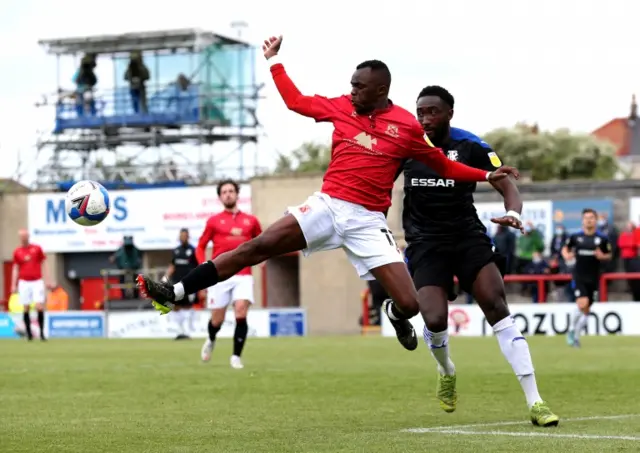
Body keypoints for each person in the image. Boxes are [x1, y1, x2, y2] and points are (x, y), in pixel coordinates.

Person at [136, 35, 518, 356]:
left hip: (368, 221)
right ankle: (175, 291)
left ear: (380, 90)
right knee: (259, 245)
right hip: (328, 206)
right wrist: (274, 62)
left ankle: (396, 315)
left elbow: (444, 165)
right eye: (350, 84)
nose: (350, 91)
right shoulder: (341, 107)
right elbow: (295, 101)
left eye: (358, 86)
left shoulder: (405, 126)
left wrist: (486, 174)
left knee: (410, 303)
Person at [399, 85, 558, 426]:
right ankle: (446, 371)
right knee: (435, 320)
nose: (425, 118)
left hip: (467, 238)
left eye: (433, 112)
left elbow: (505, 182)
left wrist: (514, 212)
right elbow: (379, 183)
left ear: (449, 114)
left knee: (497, 307)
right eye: (421, 112)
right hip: (426, 244)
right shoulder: (406, 147)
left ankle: (536, 401)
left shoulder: (469, 144)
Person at [196, 180, 262, 369]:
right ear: (220, 197)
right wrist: (204, 266)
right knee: (218, 319)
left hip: (243, 273)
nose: (228, 194)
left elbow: (261, 241)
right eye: (224, 192)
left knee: (241, 310)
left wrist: (260, 258)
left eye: (231, 191)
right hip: (219, 274)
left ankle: (236, 357)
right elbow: (200, 246)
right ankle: (211, 338)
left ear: (237, 194)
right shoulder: (213, 221)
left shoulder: (251, 221)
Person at [563, 209, 612, 347]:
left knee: (586, 310)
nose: (589, 220)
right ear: (582, 220)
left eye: (591, 218)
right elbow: (565, 249)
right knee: (582, 303)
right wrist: (566, 255)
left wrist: (602, 256)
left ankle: (576, 336)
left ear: (595, 220)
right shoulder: (576, 237)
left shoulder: (602, 239)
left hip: (594, 277)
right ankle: (571, 330)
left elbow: (609, 254)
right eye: (586, 218)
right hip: (579, 276)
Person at [11, 229, 53, 341]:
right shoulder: (17, 251)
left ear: (28, 236)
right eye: (21, 236)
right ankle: (29, 334)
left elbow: (44, 263)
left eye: (25, 236)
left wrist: (48, 279)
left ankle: (42, 334)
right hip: (24, 282)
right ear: (20, 238)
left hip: (37, 281)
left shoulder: (37, 249)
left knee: (39, 306)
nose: (23, 238)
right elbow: (15, 268)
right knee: (26, 307)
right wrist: (13, 284)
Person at [165, 228, 199, 340]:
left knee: (188, 306)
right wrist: (165, 278)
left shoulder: (193, 250)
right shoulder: (176, 251)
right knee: (176, 306)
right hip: (177, 283)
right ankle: (180, 331)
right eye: (181, 236)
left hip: (190, 283)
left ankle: (188, 331)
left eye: (185, 236)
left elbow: (198, 266)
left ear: (188, 237)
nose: (183, 237)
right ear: (179, 237)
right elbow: (172, 266)